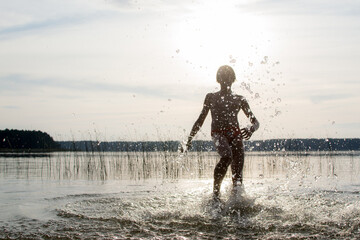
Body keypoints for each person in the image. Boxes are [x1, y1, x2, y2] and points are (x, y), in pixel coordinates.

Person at [184, 65, 259, 199]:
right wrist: (189, 139)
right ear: (218, 79)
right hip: (218, 134)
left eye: (229, 78)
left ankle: (236, 206)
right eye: (223, 77)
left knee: (238, 179)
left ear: (233, 79)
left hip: (236, 135)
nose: (226, 80)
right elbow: (200, 120)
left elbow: (255, 122)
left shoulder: (240, 99)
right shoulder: (211, 97)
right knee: (227, 156)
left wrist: (250, 128)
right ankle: (216, 195)